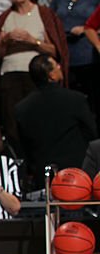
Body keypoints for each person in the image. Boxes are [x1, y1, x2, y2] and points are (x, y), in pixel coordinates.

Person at [0, 0, 68, 155]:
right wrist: (6, 41)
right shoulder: (6, 17)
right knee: (12, 124)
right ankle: (19, 166)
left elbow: (56, 50)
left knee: (39, 121)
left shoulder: (43, 14)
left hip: (36, 76)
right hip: (10, 76)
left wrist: (33, 41)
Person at [15, 53, 96, 189]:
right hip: (78, 177)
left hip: (43, 177)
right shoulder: (75, 99)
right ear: (51, 75)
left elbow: (24, 147)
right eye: (57, 65)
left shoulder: (21, 108)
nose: (60, 67)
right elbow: (92, 134)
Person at [52, 0, 100, 113]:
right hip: (66, 57)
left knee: (92, 103)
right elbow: (51, 20)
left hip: (89, 56)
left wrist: (87, 29)